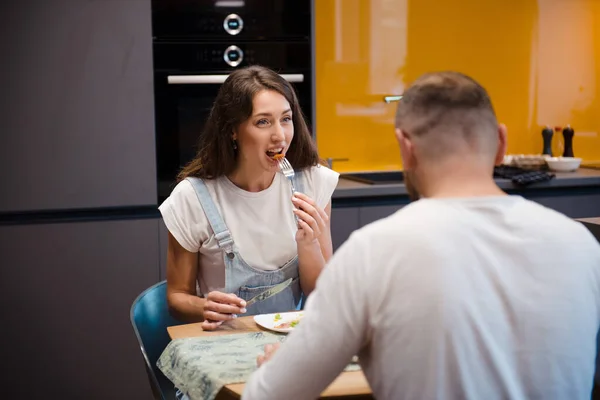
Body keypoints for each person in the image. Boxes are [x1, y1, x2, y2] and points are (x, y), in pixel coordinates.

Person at [242, 71, 600, 400]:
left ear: (406, 147)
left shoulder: (375, 252)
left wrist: (276, 366)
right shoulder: (581, 245)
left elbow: (270, 394)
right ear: (501, 143)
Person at [158, 64, 339, 333]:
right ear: (233, 130)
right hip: (222, 343)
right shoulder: (192, 198)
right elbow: (177, 298)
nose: (280, 135)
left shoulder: (313, 182)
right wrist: (204, 307)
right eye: (263, 122)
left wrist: (309, 244)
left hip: (292, 345)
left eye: (286, 119)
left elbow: (321, 295)